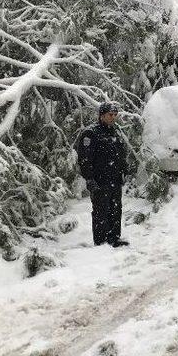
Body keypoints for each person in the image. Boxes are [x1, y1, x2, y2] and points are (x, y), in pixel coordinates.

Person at [76, 102, 130, 247]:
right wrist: (90, 179)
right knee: (101, 212)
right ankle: (101, 243)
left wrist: (124, 170)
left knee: (115, 210)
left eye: (115, 115)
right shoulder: (91, 133)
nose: (113, 118)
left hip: (115, 180)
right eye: (110, 115)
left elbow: (120, 155)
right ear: (102, 115)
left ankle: (114, 238)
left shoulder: (115, 132)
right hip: (100, 181)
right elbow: (84, 159)